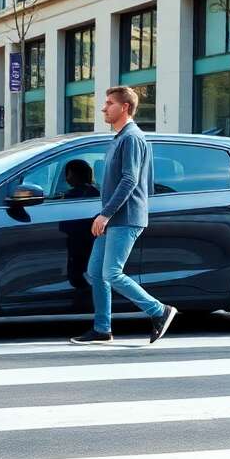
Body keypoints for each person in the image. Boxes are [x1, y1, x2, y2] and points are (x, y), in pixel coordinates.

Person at [71, 86, 177, 346]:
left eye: (109, 103)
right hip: (116, 217)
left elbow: (130, 179)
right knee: (95, 272)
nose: (104, 108)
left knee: (111, 273)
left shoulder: (132, 138)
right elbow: (145, 182)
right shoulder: (120, 138)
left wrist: (105, 214)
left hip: (124, 218)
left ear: (125, 107)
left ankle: (159, 311)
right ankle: (102, 328)